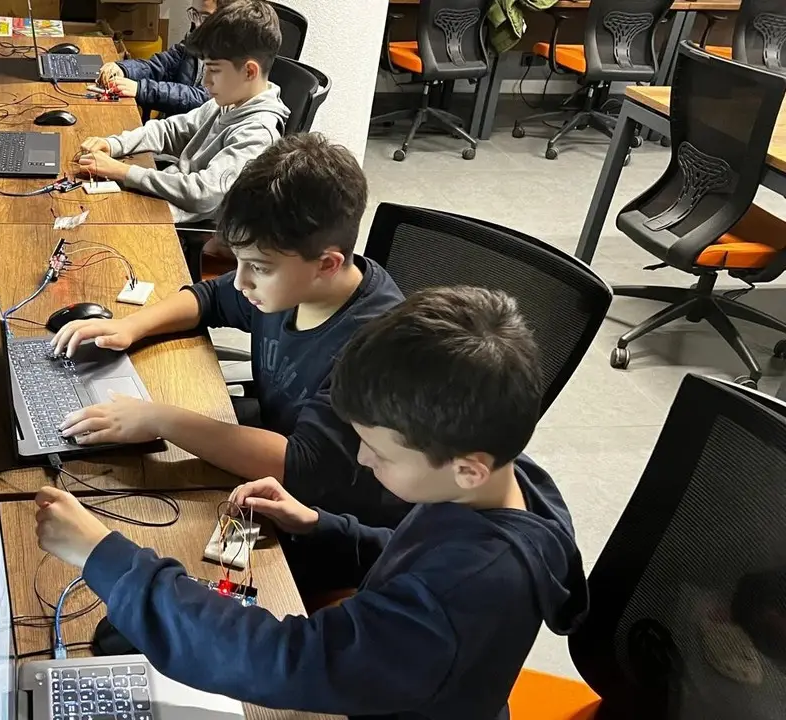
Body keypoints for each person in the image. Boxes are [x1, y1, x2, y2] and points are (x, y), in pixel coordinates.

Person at [33, 287, 590, 720]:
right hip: (391, 674)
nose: (362, 461)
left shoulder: (466, 593)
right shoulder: (499, 481)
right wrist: (319, 524)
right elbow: (419, 554)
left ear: (467, 467)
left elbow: (286, 659)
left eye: (378, 451)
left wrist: (106, 558)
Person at [53, 132, 403, 484]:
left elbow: (302, 464)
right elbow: (211, 298)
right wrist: (131, 326)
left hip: (316, 495)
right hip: (271, 435)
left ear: (327, 264)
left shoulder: (373, 353)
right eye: (239, 261)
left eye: (259, 268)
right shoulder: (292, 283)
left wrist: (159, 419)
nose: (240, 281)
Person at [76, 0, 289, 224]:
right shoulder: (229, 102)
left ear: (249, 72)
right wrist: (113, 144)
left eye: (214, 70)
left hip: (178, 224)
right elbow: (170, 130)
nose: (206, 81)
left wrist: (122, 172)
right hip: (165, 197)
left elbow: (202, 195)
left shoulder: (257, 134)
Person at [96, 0, 227, 117]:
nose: (197, 24)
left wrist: (141, 89)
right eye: (194, 14)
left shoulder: (233, 55)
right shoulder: (195, 40)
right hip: (174, 125)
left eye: (205, 17)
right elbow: (160, 65)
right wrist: (123, 69)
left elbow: (205, 99)